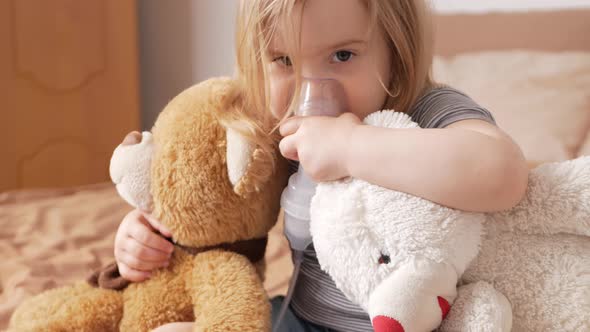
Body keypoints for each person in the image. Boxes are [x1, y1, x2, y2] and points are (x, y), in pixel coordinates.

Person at [116, 1, 529, 331]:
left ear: (398, 53)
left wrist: (351, 147)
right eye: (283, 61)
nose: (309, 90)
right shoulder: (277, 125)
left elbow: (503, 172)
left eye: (342, 55)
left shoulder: (427, 110)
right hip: (302, 316)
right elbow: (212, 211)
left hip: (409, 320)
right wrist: (149, 239)